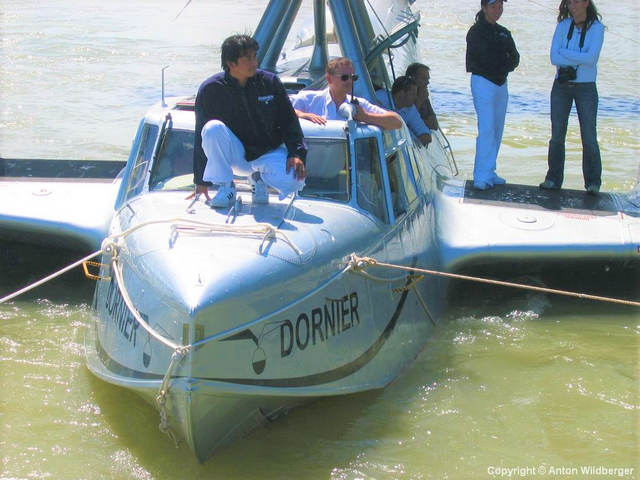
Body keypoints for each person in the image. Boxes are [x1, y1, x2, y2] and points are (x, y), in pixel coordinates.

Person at [193, 34, 307, 208]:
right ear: (231, 63)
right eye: (248, 58)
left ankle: (258, 178)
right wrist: (200, 181)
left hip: (268, 151)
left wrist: (295, 153)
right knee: (212, 128)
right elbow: (200, 136)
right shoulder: (210, 89)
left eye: (255, 56)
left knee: (295, 182)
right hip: (236, 156)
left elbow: (289, 120)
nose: (255, 62)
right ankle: (226, 186)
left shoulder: (270, 82)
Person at [540, 0, 604, 196]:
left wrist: (565, 53)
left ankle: (593, 183)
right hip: (561, 86)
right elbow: (554, 58)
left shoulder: (597, 28)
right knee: (557, 135)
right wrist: (578, 56)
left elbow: (592, 59)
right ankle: (553, 179)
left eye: (576, 2)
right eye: (569, 3)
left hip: (586, 87)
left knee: (589, 137)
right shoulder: (563, 26)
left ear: (586, 3)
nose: (572, 6)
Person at [466, 0, 519, 190]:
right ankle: (481, 175)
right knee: (487, 127)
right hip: (483, 82)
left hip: (501, 83)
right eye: (493, 7)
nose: (497, 11)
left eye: (500, 7)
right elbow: (483, 58)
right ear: (484, 8)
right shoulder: (476, 32)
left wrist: (502, 61)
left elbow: (514, 58)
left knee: (497, 128)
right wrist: (501, 59)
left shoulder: (504, 32)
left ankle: (490, 170)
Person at [290, 57, 403, 130]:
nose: (350, 81)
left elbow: (396, 122)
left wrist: (365, 117)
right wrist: (301, 114)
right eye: (344, 77)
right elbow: (278, 105)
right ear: (329, 79)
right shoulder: (310, 99)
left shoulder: (359, 105)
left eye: (353, 77)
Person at [376, 76, 432, 146]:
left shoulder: (410, 108)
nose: (416, 97)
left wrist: (410, 145)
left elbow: (426, 136)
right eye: (413, 94)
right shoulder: (378, 98)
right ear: (402, 93)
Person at [405, 63, 439, 132]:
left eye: (428, 79)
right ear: (413, 78)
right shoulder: (404, 96)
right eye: (424, 78)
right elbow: (407, 121)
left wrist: (418, 121)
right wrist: (419, 101)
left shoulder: (424, 95)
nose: (428, 82)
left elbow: (434, 125)